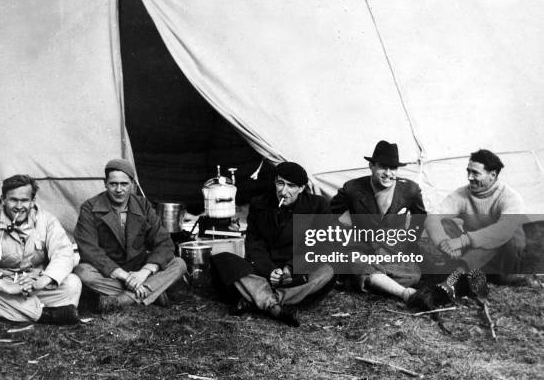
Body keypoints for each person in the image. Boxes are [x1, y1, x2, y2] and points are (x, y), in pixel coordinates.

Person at [210, 162, 334, 327]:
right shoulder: (259, 204)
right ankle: (272, 303)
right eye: (280, 183)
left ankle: (264, 299)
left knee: (329, 269)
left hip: (297, 271)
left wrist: (291, 268)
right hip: (265, 269)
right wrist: (270, 271)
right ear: (274, 182)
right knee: (221, 259)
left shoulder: (317, 206)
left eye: (291, 186)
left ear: (302, 188)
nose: (283, 191)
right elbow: (254, 244)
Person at [0, 175, 82, 324]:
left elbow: (63, 253)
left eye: (24, 200)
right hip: (5, 284)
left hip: (35, 282)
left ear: (32, 201)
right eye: (13, 200)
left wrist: (41, 281)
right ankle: (47, 315)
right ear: (3, 199)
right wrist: (5, 286)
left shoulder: (47, 221)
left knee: (73, 283)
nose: (19, 206)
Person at [74, 159, 186, 310]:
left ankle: (122, 300)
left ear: (133, 184)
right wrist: (124, 276)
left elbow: (164, 242)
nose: (119, 189)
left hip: (138, 267)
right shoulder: (90, 207)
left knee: (179, 264)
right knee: (82, 273)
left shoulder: (143, 205)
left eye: (124, 184)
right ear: (105, 182)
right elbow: (89, 250)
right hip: (109, 271)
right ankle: (152, 290)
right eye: (113, 184)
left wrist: (144, 272)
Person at [330, 140, 427, 306]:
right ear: (371, 166)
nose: (388, 173)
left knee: (414, 275)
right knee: (355, 261)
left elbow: (419, 217)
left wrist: (409, 243)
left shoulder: (410, 189)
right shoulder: (353, 188)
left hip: (392, 252)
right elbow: (328, 216)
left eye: (393, 168)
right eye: (383, 167)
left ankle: (365, 279)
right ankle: (405, 294)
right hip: (362, 250)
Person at [425, 149, 527, 285]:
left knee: (499, 236)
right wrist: (444, 242)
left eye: (475, 173)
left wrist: (462, 241)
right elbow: (432, 217)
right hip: (473, 255)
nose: (469, 177)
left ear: (492, 175)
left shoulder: (510, 197)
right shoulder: (462, 194)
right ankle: (466, 271)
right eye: (468, 171)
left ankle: (459, 272)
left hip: (504, 261)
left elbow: (503, 231)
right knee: (445, 223)